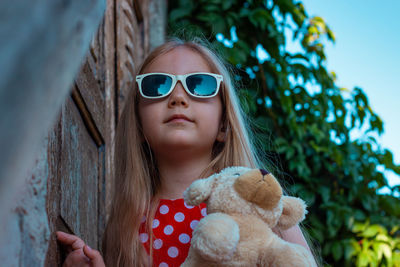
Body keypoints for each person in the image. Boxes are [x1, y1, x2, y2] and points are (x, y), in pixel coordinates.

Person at [57, 37, 314, 267]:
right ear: (137, 126)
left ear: (224, 124)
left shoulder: (259, 201)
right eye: (157, 85)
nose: (178, 97)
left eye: (199, 85)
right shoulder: (127, 227)